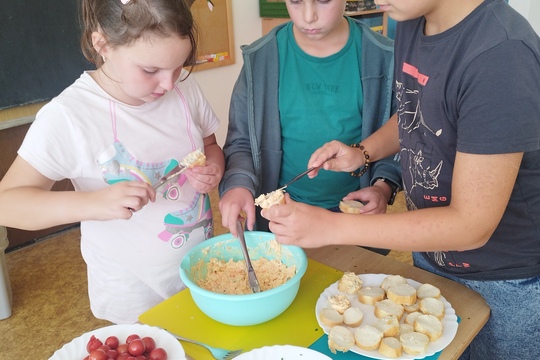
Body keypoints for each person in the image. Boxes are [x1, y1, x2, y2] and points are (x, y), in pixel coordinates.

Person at [262, 0, 540, 358]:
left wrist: (331, 228)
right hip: (431, 255)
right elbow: (417, 110)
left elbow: (472, 225)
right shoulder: (411, 17)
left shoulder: (501, 56)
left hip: (505, 281)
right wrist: (363, 152)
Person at [0, 0, 224, 324]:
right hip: (133, 294)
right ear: (102, 44)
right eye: (150, 70)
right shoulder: (70, 116)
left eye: (179, 67)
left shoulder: (184, 89)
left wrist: (214, 167)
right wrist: (94, 202)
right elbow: (7, 202)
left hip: (198, 272)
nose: (168, 84)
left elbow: (209, 145)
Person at [218, 0, 401, 242]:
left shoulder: (383, 57)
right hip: (280, 217)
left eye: (323, 1)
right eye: (295, 1)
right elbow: (241, 142)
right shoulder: (261, 59)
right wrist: (237, 184)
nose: (308, 16)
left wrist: (382, 186)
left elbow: (402, 135)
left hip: (355, 221)